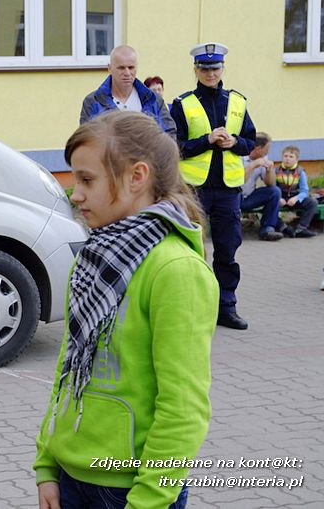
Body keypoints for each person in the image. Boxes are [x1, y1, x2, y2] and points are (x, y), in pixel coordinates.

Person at [33, 111, 217, 509]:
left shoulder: (176, 269)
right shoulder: (94, 258)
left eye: (87, 180)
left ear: (137, 177)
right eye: (74, 179)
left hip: (132, 490)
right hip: (70, 476)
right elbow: (69, 366)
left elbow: (184, 407)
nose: (75, 194)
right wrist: (47, 463)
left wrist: (148, 500)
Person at [170, 42, 256, 330]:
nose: (210, 73)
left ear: (222, 69)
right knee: (191, 251)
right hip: (194, 190)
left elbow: (250, 142)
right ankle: (191, 308)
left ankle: (226, 307)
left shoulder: (238, 102)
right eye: (205, 68)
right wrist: (206, 140)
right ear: (196, 70)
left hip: (228, 189)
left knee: (227, 250)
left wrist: (235, 142)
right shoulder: (183, 104)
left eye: (215, 68)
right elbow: (175, 146)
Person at [79, 45, 176, 138]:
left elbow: (169, 135)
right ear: (109, 68)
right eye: (121, 68)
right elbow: (85, 139)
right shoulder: (93, 101)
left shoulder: (153, 100)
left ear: (137, 67)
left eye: (131, 68)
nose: (127, 73)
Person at [241, 132, 283, 241]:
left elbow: (271, 184)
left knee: (274, 191)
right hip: (234, 197)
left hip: (249, 197)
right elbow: (239, 180)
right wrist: (253, 165)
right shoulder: (239, 156)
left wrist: (269, 171)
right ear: (258, 149)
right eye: (267, 149)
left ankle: (267, 229)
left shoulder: (263, 158)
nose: (268, 152)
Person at [274, 145, 318, 238]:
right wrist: (279, 198)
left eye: (291, 157)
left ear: (296, 159)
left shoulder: (300, 172)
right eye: (285, 156)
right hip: (280, 197)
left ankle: (301, 228)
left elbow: (304, 190)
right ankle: (283, 227)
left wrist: (296, 198)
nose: (287, 159)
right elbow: (273, 187)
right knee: (269, 206)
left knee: (312, 202)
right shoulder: (276, 171)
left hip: (294, 197)